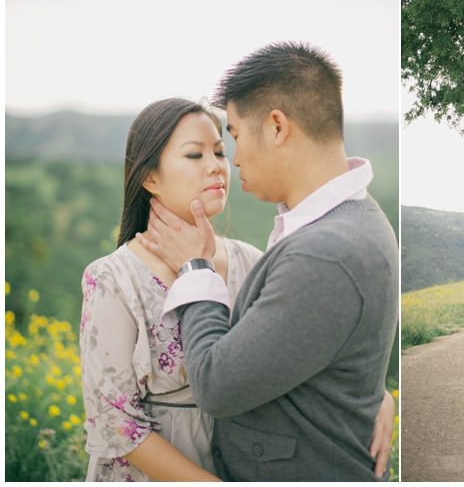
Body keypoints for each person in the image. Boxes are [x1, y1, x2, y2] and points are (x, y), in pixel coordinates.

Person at [79, 97, 394, 482]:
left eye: (220, 151)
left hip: (249, 463)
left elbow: (295, 351)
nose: (217, 166)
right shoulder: (114, 278)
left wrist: (375, 397)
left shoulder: (251, 260)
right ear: (150, 177)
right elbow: (115, 424)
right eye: (195, 155)